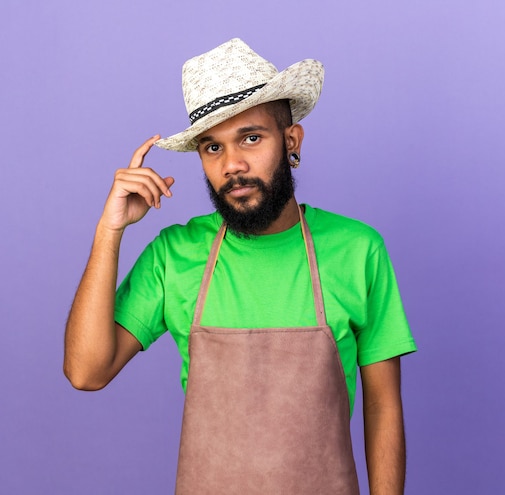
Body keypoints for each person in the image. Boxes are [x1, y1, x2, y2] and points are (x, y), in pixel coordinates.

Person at [64, 38, 417, 494]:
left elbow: (384, 406)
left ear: (291, 141)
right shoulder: (176, 254)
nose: (232, 164)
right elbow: (86, 372)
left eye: (251, 138)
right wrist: (108, 232)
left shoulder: (356, 249)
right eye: (212, 148)